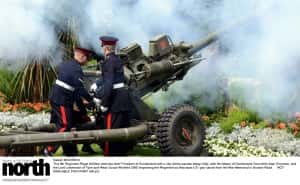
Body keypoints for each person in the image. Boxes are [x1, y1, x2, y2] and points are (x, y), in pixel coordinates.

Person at [47, 47, 95, 156]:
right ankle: (48, 149)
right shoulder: (76, 69)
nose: (87, 61)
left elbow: (74, 90)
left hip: (60, 97)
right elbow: (80, 90)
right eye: (87, 58)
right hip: (61, 99)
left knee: (65, 123)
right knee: (64, 125)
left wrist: (82, 105)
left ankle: (70, 151)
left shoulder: (68, 64)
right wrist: (91, 100)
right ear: (82, 57)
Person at [97, 36, 131, 156]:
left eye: (103, 48)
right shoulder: (117, 59)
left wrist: (104, 104)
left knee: (110, 131)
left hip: (115, 100)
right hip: (122, 97)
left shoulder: (109, 62)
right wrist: (97, 85)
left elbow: (109, 84)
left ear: (105, 48)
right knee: (121, 129)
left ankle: (110, 155)